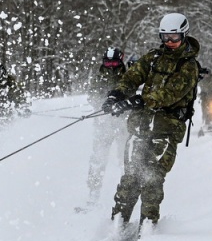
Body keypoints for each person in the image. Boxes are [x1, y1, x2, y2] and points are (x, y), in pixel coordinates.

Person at [101, 12, 200, 229]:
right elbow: (132, 76)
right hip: (140, 127)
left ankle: (148, 226)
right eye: (165, 38)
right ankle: (117, 225)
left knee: (152, 179)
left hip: (166, 130)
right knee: (130, 177)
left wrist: (139, 100)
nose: (170, 43)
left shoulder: (189, 65)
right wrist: (117, 94)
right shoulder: (154, 57)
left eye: (174, 38)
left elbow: (171, 93)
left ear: (184, 36)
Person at [84, 47, 128, 207]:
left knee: (125, 159)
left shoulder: (127, 75)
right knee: (98, 159)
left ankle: (127, 194)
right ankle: (93, 194)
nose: (111, 66)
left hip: (123, 124)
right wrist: (101, 102)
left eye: (114, 62)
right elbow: (92, 95)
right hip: (103, 125)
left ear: (120, 61)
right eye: (108, 62)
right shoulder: (98, 77)